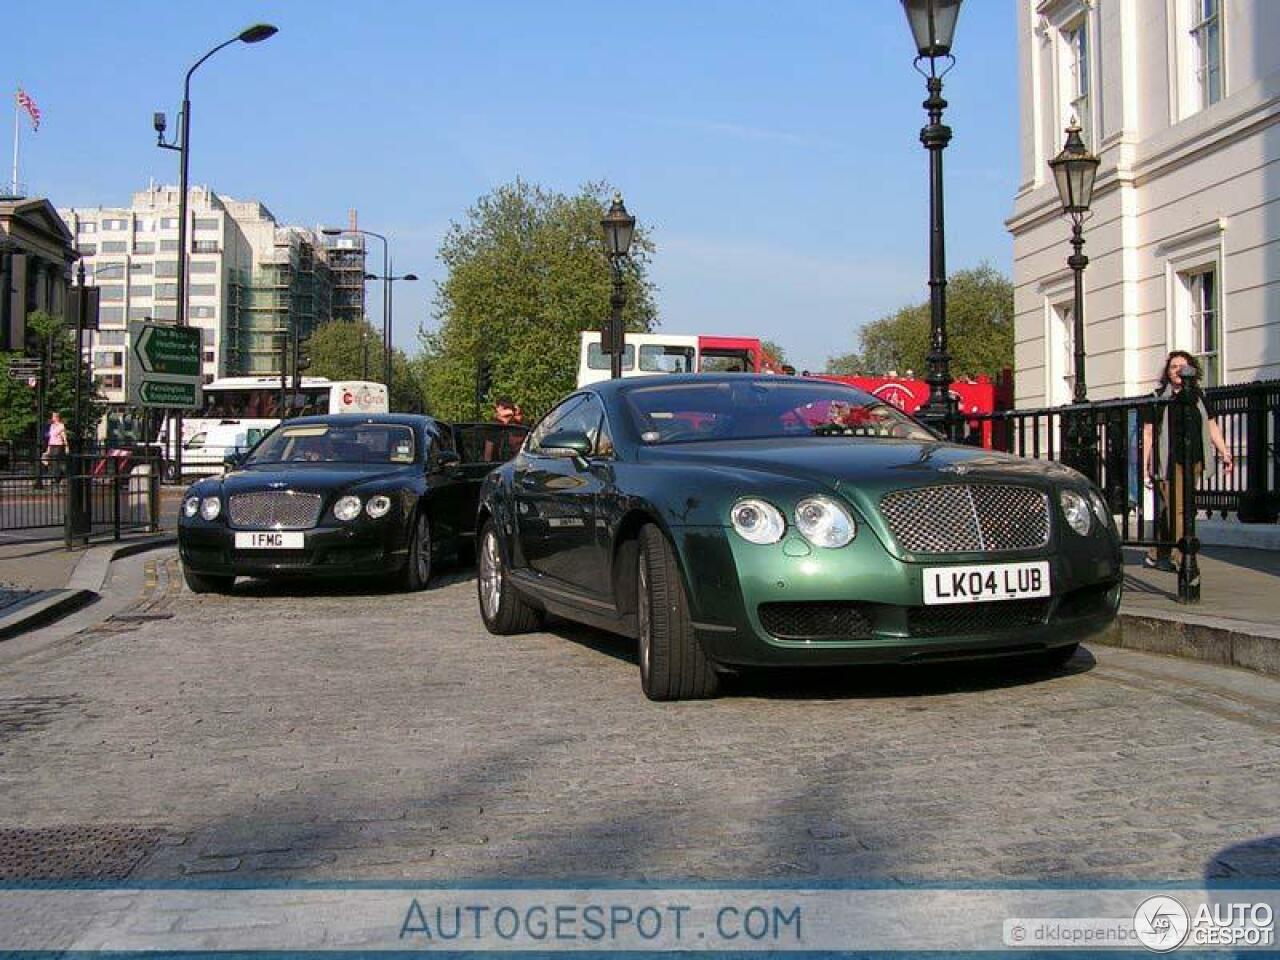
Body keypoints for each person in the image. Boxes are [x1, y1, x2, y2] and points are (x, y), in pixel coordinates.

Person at [1141, 350, 1232, 571]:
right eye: (1173, 367)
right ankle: (1181, 558)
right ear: (1168, 372)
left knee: (1177, 509)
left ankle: (1157, 550)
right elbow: (1149, 433)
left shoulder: (1199, 398)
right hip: (1169, 460)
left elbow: (1211, 425)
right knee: (1180, 509)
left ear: (1192, 370)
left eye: (1183, 366)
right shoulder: (1159, 398)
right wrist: (1145, 466)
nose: (1178, 370)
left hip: (1195, 460)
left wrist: (1225, 452)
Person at [43, 412, 68, 486]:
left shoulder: (61, 426)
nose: (52, 418)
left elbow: (64, 436)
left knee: (55, 461)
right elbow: (51, 438)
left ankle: (56, 479)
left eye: (53, 416)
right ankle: (60, 474)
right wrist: (48, 448)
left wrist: (66, 446)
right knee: (48, 460)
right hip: (51, 445)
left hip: (58, 445)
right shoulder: (52, 426)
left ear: (57, 417)